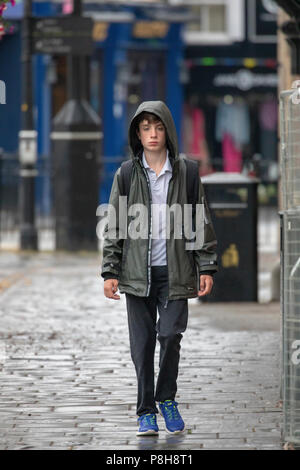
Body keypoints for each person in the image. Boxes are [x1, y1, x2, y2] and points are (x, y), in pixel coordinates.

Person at [101, 101, 218, 436]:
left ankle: (167, 397)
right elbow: (115, 225)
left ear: (168, 130)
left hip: (176, 273)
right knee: (142, 345)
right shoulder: (125, 174)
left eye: (158, 126)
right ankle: (145, 411)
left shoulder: (189, 172)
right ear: (137, 134)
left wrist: (206, 266)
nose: (153, 134)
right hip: (137, 276)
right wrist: (110, 271)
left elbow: (201, 221)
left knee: (169, 335)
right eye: (146, 127)